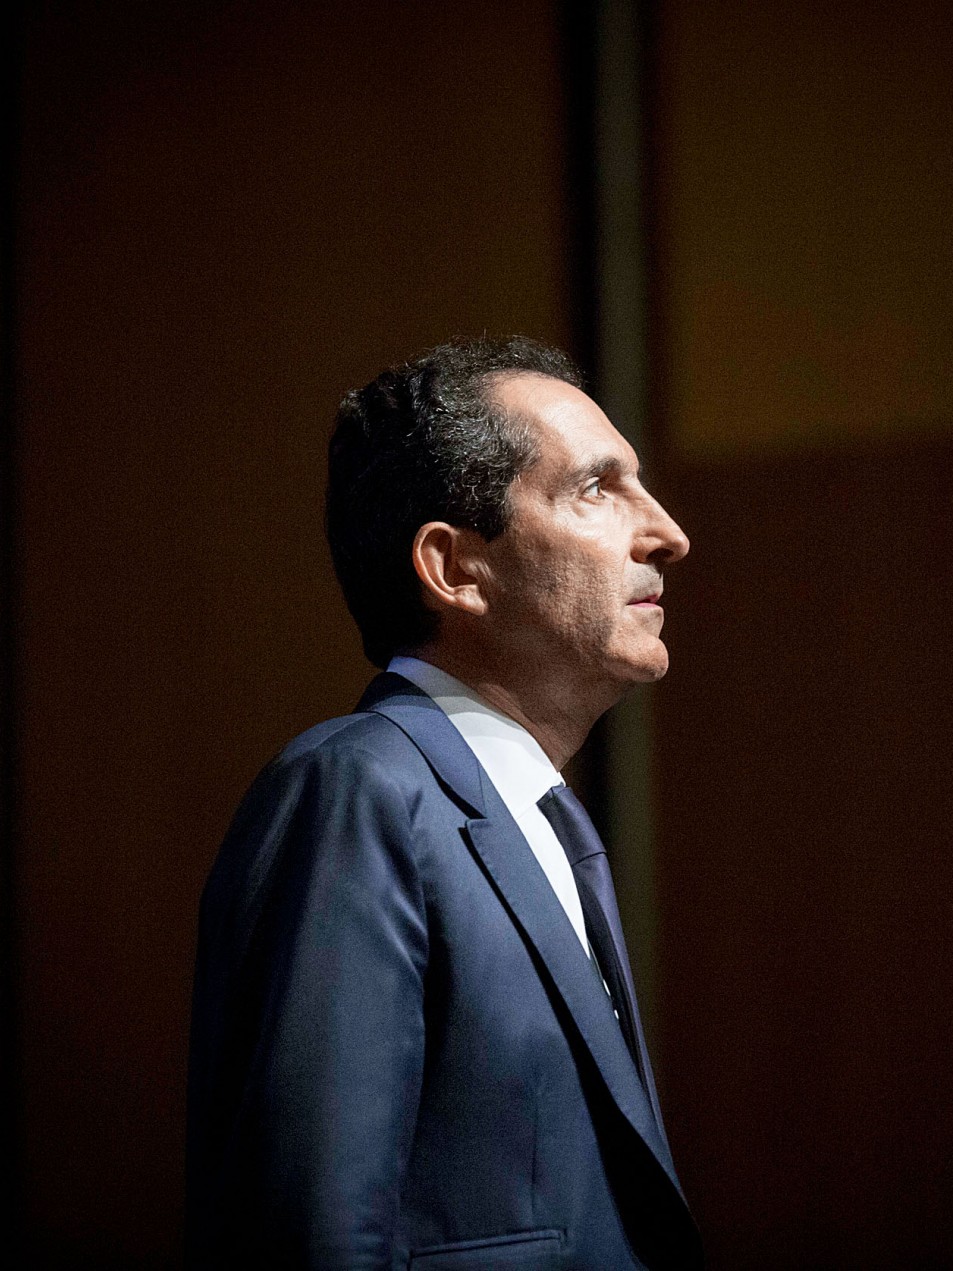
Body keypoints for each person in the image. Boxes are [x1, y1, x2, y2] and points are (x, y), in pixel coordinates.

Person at [187, 337, 701, 1269]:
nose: (667, 531)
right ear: (456, 568)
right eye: (597, 487)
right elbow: (313, 1230)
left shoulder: (545, 819)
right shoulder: (359, 789)